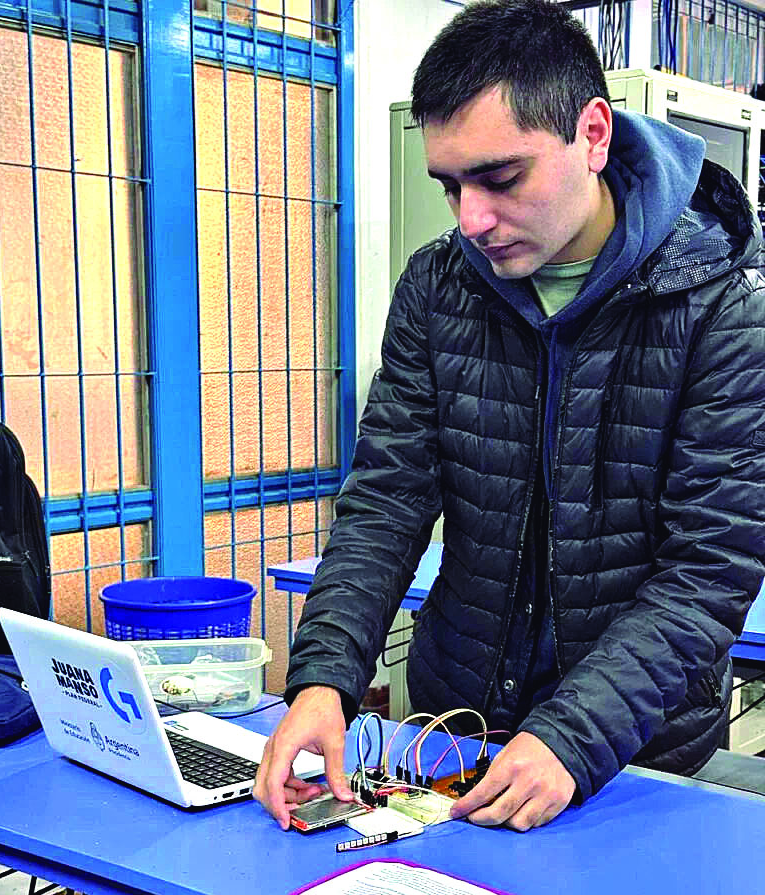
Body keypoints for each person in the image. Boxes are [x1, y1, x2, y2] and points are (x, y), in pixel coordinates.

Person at [255, 0, 765, 850]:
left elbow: (708, 569)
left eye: (501, 178)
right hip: (458, 727)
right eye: (450, 185)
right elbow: (386, 503)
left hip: (635, 754)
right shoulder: (438, 288)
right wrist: (323, 682)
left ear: (593, 134)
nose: (470, 219)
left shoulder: (725, 307)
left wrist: (573, 735)